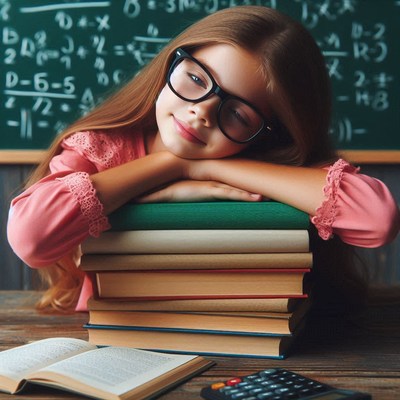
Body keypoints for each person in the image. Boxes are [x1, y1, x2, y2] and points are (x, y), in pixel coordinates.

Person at [7, 6, 399, 313]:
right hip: (122, 336)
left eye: (238, 114)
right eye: (196, 80)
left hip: (249, 336)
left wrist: (208, 166)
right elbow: (30, 236)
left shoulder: (270, 162)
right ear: (171, 65)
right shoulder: (101, 148)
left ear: (269, 132)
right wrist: (170, 166)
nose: (201, 114)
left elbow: (377, 221)